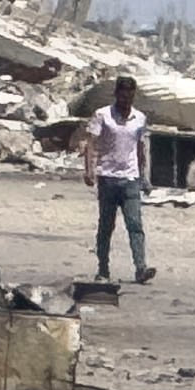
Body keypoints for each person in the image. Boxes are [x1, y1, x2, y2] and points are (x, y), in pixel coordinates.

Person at [83, 76, 156, 285]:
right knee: (106, 226)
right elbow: (90, 143)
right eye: (123, 96)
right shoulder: (103, 115)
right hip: (107, 177)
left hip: (130, 179)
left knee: (135, 225)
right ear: (116, 94)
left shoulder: (139, 118)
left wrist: (144, 177)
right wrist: (89, 170)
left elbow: (141, 148)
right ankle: (103, 269)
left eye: (130, 97)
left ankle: (140, 267)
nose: (126, 101)